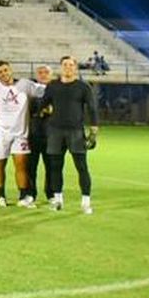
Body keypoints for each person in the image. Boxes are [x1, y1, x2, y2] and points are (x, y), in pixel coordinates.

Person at [35, 55, 99, 213]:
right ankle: (57, 200)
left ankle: (85, 202)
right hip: (55, 131)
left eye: (71, 65)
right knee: (55, 167)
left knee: (82, 167)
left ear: (75, 68)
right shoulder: (52, 86)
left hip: (76, 131)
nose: (68, 67)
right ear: (61, 67)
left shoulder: (83, 87)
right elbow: (43, 104)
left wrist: (94, 128)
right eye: (65, 64)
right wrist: (45, 110)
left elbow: (92, 108)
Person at [0, 59, 41, 207]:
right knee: (0, 162)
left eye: (5, 70)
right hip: (1, 132)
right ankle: (1, 196)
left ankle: (22, 197)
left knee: (21, 164)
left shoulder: (25, 84)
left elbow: (44, 90)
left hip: (20, 132)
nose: (3, 74)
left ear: (11, 70)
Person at [24, 64, 54, 203]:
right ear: (36, 75)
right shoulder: (31, 92)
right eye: (40, 72)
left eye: (46, 72)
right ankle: (31, 194)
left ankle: (51, 194)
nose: (43, 74)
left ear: (51, 74)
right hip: (34, 133)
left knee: (51, 166)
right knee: (31, 166)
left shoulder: (57, 90)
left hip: (52, 135)